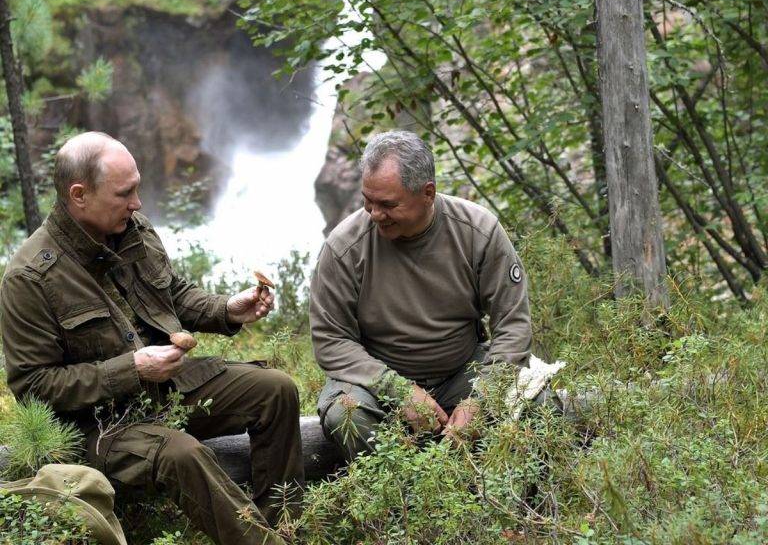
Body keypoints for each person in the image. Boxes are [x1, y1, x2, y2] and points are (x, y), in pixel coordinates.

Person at [0, 132, 303, 545]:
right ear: (79, 195)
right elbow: (34, 387)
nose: (138, 202)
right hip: (101, 427)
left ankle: (282, 524)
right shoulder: (30, 277)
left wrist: (226, 309)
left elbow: (172, 292)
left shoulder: (131, 227)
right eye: (125, 192)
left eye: (137, 187)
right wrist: (133, 369)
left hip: (168, 391)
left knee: (276, 390)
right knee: (183, 454)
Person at [310, 130, 533, 461]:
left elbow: (513, 326)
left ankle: (482, 492)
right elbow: (331, 340)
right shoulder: (344, 247)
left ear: (427, 193)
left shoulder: (478, 232)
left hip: (461, 372)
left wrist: (481, 399)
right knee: (345, 416)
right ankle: (405, 499)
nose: (374, 214)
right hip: (378, 383)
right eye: (367, 201)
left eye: (387, 204)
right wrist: (399, 392)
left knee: (534, 402)